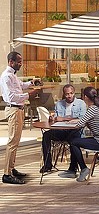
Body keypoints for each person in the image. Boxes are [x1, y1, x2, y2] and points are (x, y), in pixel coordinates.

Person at [1, 51, 40, 184]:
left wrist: (31, 82)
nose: (21, 64)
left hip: (18, 110)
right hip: (14, 109)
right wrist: (29, 95)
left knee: (15, 142)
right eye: (19, 61)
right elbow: (12, 97)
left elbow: (20, 87)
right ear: (11, 62)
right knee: (12, 142)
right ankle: (6, 174)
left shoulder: (12, 76)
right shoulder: (6, 76)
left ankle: (11, 169)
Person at [60, 86, 99, 183]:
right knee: (73, 139)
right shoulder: (97, 108)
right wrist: (74, 121)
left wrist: (68, 122)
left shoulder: (92, 109)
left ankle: (83, 169)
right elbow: (83, 120)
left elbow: (79, 124)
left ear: (85, 97)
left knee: (73, 142)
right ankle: (73, 169)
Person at [40, 84, 86, 174]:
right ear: (64, 94)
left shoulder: (81, 103)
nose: (69, 96)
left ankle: (73, 167)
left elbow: (83, 119)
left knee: (74, 139)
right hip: (61, 131)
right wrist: (52, 119)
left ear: (74, 93)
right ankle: (47, 164)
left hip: (75, 130)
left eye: (71, 93)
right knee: (46, 135)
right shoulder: (59, 104)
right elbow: (57, 119)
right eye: (67, 94)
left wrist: (64, 118)